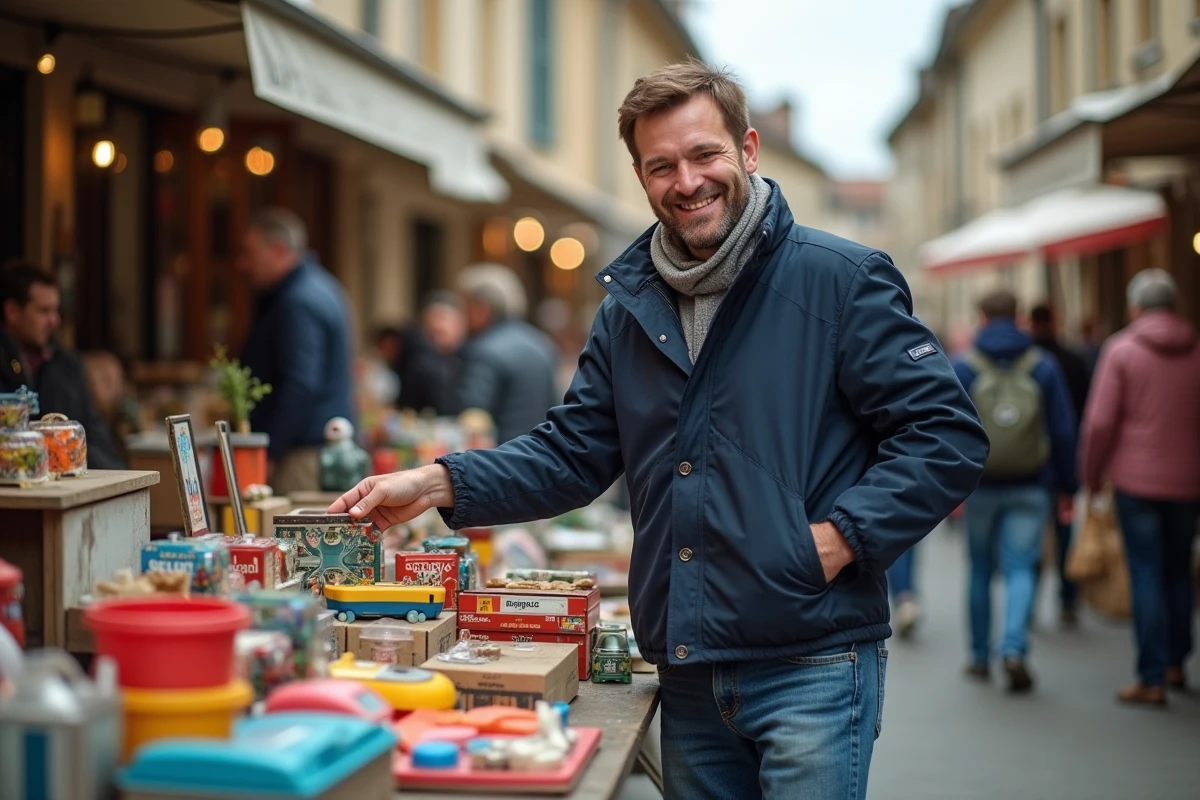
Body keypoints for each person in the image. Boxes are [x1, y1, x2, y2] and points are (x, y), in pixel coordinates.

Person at [331, 61, 988, 798]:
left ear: (747, 150)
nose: (687, 181)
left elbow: (945, 435)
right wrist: (438, 480)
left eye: (704, 154)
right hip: (686, 668)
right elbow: (574, 453)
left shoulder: (839, 278)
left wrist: (838, 540)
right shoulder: (629, 308)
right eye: (661, 165)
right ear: (641, 177)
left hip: (811, 662)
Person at [1079, 269, 1200, 707]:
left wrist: (1090, 478)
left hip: (1135, 481)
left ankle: (1151, 677)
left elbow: (1100, 423)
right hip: (1188, 482)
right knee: (1178, 569)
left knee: (1146, 571)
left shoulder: (1122, 350)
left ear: (1135, 307)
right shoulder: (1196, 349)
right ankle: (1176, 661)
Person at [952, 290, 1077, 693]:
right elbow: (1061, 429)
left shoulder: (965, 366)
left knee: (980, 570)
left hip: (980, 484)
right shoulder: (1042, 365)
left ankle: (977, 656)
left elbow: (947, 428)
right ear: (1019, 317)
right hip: (1031, 483)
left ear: (982, 317)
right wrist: (1068, 485)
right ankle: (1014, 648)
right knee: (1021, 567)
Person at [236, 208, 355, 496]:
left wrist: (271, 451)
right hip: (314, 448)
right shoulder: (318, 286)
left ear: (277, 249)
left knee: (299, 539)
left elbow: (300, 384)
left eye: (251, 253)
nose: (243, 264)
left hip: (301, 456)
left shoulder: (298, 301)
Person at [0, 260, 123, 468]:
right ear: (12, 311)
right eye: (43, 311)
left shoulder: (68, 365)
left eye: (55, 311)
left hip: (71, 487)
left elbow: (96, 438)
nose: (54, 321)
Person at [1029, 302, 1092, 627]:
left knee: (1029, 540)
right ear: (1055, 320)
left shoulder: (1024, 362)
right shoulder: (1070, 360)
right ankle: (1068, 598)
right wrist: (1073, 479)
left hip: (1027, 469)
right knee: (1064, 531)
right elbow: (1073, 424)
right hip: (1060, 463)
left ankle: (1028, 602)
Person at [454, 264, 559, 444]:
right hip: (542, 453)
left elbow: (474, 417)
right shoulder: (543, 343)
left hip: (503, 458)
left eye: (465, 306)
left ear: (481, 308)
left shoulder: (484, 350)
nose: (462, 315)